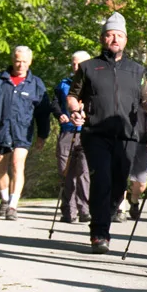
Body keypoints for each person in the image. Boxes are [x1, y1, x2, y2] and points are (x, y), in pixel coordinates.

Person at [68, 13, 147, 253]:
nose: (115, 39)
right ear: (102, 38)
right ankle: (99, 233)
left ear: (125, 40)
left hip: (127, 135)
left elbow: (146, 101)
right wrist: (75, 110)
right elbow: (73, 95)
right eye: (110, 35)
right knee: (101, 179)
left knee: (118, 184)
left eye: (119, 35)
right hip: (96, 133)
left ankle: (108, 212)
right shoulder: (88, 67)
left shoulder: (137, 70)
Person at [0, 45, 53, 221]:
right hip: (2, 129)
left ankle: (13, 206)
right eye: (17, 61)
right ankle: (5, 200)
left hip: (23, 131)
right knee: (0, 165)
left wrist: (42, 135)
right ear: (12, 60)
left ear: (30, 62)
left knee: (17, 163)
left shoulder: (36, 84)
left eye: (24, 61)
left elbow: (43, 112)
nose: (21, 65)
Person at [55, 51, 93, 223]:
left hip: (87, 132)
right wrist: (59, 114)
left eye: (80, 64)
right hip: (67, 131)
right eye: (73, 64)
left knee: (84, 171)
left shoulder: (94, 84)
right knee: (66, 171)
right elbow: (55, 103)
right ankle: (68, 211)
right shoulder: (64, 84)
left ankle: (84, 209)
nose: (76, 67)